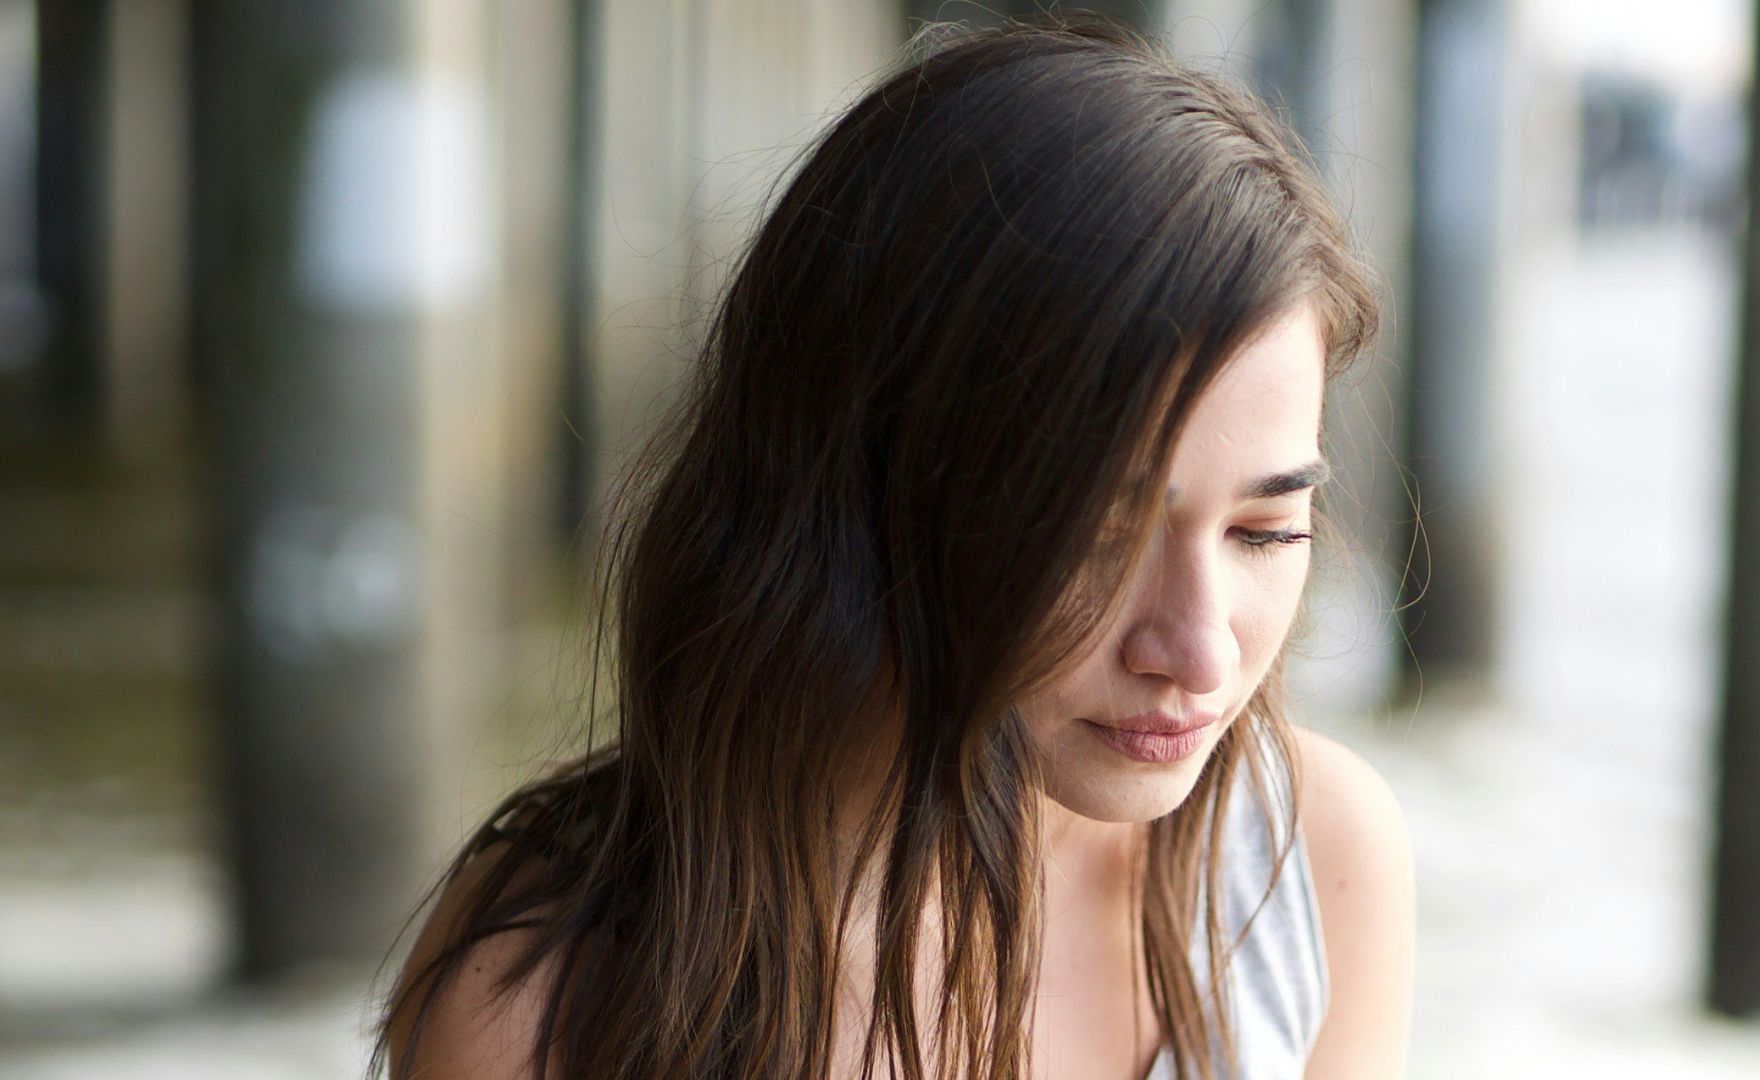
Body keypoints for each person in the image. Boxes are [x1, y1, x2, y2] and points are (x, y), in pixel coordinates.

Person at [374, 15, 1414, 1080]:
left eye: (1264, 530)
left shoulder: (1307, 868)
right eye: (1093, 542)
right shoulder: (560, 1002)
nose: (1199, 654)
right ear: (868, 482)